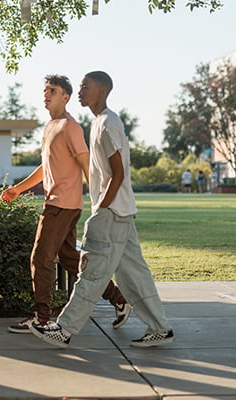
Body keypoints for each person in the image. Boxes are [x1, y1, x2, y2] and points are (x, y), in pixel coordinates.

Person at [30, 71, 174, 348]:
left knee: (92, 274)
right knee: (134, 276)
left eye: (86, 85)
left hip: (111, 213)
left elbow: (118, 174)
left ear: (102, 91)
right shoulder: (98, 123)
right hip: (122, 212)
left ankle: (65, 329)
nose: (81, 90)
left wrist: (100, 209)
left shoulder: (108, 124)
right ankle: (160, 328)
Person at [1, 74, 131, 334]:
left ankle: (41, 317)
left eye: (53, 90)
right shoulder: (51, 127)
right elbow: (45, 167)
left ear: (66, 97)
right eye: (45, 90)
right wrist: (18, 189)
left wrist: (97, 201)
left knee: (40, 258)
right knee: (71, 261)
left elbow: (86, 163)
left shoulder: (70, 127)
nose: (46, 94)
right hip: (59, 203)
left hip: (62, 205)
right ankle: (118, 299)